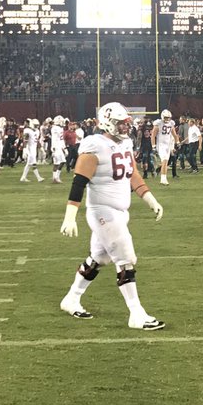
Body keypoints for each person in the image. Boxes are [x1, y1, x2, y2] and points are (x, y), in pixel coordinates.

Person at [59, 102, 166, 329]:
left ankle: (71, 298)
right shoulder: (94, 144)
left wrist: (150, 198)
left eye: (127, 122)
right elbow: (79, 182)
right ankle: (136, 313)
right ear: (107, 122)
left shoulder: (126, 142)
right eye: (121, 123)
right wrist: (70, 216)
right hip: (102, 212)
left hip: (120, 211)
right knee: (126, 259)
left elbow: (132, 174)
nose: (126, 127)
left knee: (99, 258)